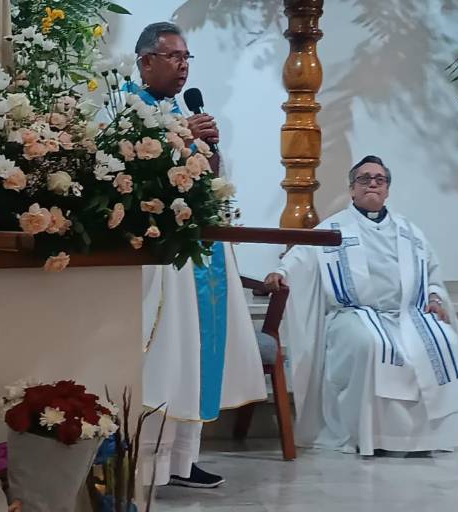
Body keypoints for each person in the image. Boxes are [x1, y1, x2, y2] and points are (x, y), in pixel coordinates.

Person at [132, 22, 267, 488]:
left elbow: (208, 183)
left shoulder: (185, 113)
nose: (183, 65)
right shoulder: (123, 110)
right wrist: (176, 139)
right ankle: (146, 462)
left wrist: (207, 149)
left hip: (200, 250)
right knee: (166, 354)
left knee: (195, 354)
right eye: (174, 57)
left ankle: (183, 459)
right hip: (159, 256)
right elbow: (127, 177)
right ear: (145, 61)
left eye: (187, 57)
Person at [265, 155, 458, 456]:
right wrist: (281, 273)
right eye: (364, 179)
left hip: (407, 317)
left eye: (379, 179)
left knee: (445, 339)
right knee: (367, 343)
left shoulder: (409, 232)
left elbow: (433, 274)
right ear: (352, 189)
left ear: (387, 190)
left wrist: (435, 299)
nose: (372, 183)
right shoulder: (334, 228)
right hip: (353, 314)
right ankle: (368, 435)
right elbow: (301, 257)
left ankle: (430, 438)